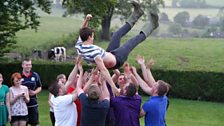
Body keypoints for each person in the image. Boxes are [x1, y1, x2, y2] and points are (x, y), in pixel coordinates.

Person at [75, 0, 159, 94]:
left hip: (110, 53)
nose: (93, 38)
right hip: (117, 59)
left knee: (116, 34)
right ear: (89, 37)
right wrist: (114, 87)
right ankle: (152, 25)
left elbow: (82, 31)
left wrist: (86, 20)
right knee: (131, 42)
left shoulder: (79, 46)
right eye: (93, 36)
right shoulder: (94, 53)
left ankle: (137, 13)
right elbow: (104, 70)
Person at [131, 57, 170, 126]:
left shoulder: (149, 104)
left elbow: (138, 115)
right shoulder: (164, 99)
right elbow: (146, 84)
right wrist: (142, 68)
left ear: (155, 90)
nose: (153, 84)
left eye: (154, 85)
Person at [49, 57, 80, 126]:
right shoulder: (63, 99)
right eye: (63, 85)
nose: (65, 84)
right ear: (60, 90)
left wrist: (77, 65)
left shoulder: (55, 97)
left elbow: (70, 80)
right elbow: (79, 92)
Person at [21, 58, 42, 126]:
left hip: (33, 103)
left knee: (35, 123)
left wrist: (34, 92)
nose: (28, 66)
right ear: (22, 65)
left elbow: (40, 87)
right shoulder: (18, 76)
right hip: (22, 104)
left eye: (30, 65)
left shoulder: (35, 75)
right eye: (26, 65)